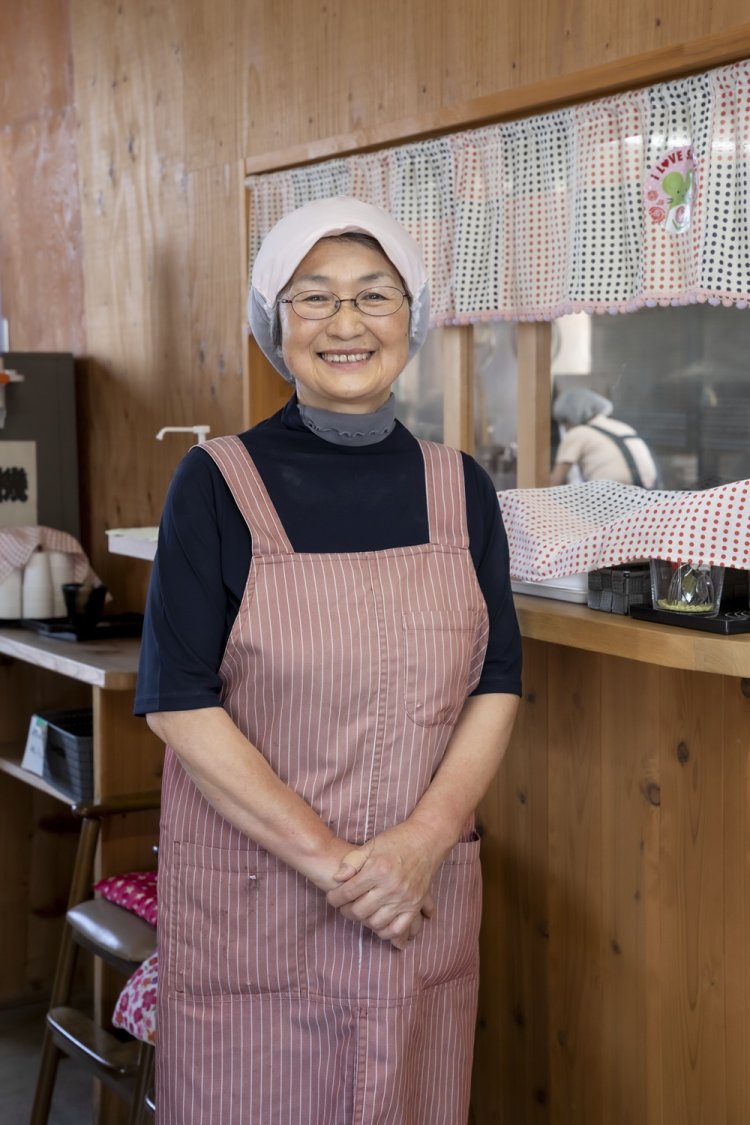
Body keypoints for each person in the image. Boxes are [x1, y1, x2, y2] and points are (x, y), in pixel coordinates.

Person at [135, 196, 522, 1125]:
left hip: (415, 904)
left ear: (412, 317)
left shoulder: (459, 486)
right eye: (314, 299)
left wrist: (420, 848)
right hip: (261, 902)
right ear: (277, 324)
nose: (346, 324)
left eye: (373, 295)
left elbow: (495, 682)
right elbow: (177, 700)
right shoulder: (217, 482)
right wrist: (346, 869)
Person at [549, 386, 659, 487]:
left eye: (564, 422)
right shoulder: (622, 426)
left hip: (611, 496)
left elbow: (556, 480)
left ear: (571, 417)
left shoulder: (578, 432)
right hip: (647, 492)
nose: (565, 428)